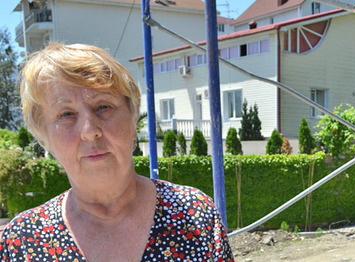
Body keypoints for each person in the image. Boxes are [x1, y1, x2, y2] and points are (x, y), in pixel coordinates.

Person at [0, 43, 233, 261]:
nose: (89, 131)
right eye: (66, 114)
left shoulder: (196, 215)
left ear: (133, 121)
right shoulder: (20, 243)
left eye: (103, 107)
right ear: (44, 136)